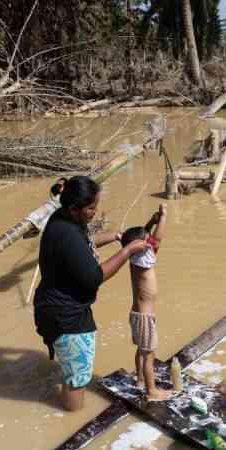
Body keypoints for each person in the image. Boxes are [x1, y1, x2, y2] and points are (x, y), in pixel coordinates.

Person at [31, 176, 148, 411]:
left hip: (54, 306)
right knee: (78, 380)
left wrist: (114, 237)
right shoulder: (66, 233)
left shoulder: (64, 218)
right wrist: (126, 252)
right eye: (91, 208)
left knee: (73, 370)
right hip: (66, 315)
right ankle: (69, 419)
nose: (95, 211)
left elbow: (83, 246)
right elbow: (94, 277)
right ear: (75, 208)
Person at [120, 203, 172, 401]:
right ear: (142, 245)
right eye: (145, 240)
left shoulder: (136, 255)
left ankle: (140, 379)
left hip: (138, 314)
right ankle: (152, 391)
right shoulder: (143, 255)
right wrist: (164, 216)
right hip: (145, 316)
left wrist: (151, 221)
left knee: (142, 351)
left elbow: (145, 236)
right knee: (149, 354)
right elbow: (157, 238)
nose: (148, 240)